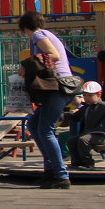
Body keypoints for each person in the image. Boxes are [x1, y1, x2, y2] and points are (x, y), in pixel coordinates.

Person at [18, 10, 74, 189]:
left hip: (57, 86)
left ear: (24, 26)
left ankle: (60, 175)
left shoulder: (38, 34)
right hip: (61, 86)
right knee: (33, 125)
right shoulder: (47, 33)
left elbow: (53, 55)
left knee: (45, 130)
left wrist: (27, 66)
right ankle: (50, 170)